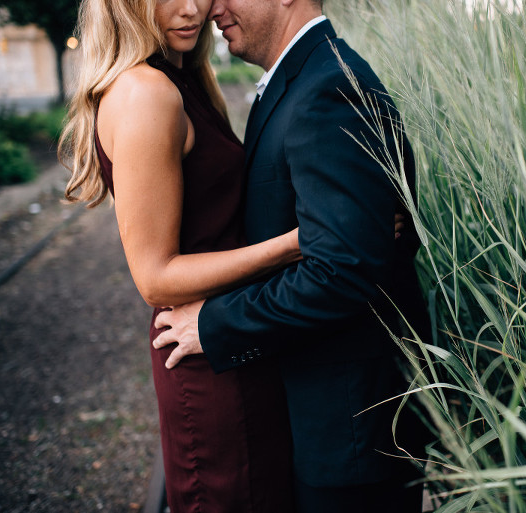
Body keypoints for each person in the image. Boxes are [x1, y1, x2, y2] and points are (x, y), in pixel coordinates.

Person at [152, 0, 431, 511]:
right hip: (327, 419)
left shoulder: (328, 88)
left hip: (350, 432)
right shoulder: (299, 81)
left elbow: (341, 270)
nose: (212, 6)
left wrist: (213, 324)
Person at [57, 0, 299, 511]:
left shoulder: (183, 78)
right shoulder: (147, 93)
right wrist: (303, 242)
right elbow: (155, 278)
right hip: (209, 366)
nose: (191, 9)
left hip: (234, 339)